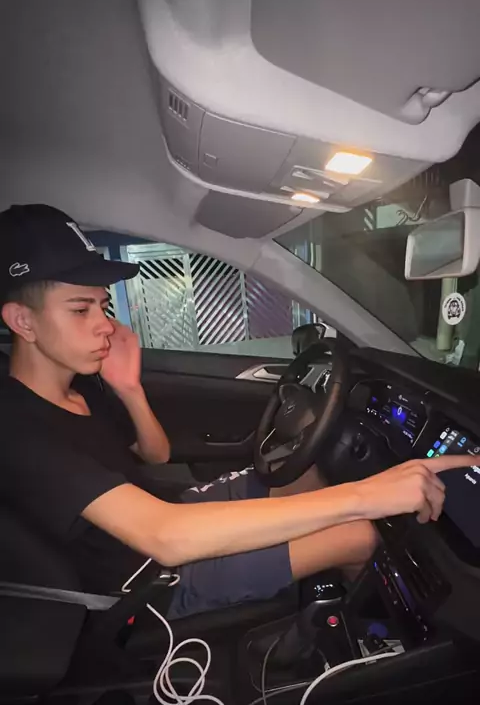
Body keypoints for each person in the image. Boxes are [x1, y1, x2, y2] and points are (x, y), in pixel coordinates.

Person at [0, 204, 477, 621]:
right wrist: (367, 496)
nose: (105, 325)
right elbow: (163, 537)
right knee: (359, 536)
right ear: (23, 321)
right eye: (80, 310)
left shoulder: (83, 386)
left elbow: (154, 454)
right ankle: (373, 650)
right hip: (153, 578)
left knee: (312, 473)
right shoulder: (18, 431)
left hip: (175, 511)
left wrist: (130, 390)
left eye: (103, 307)